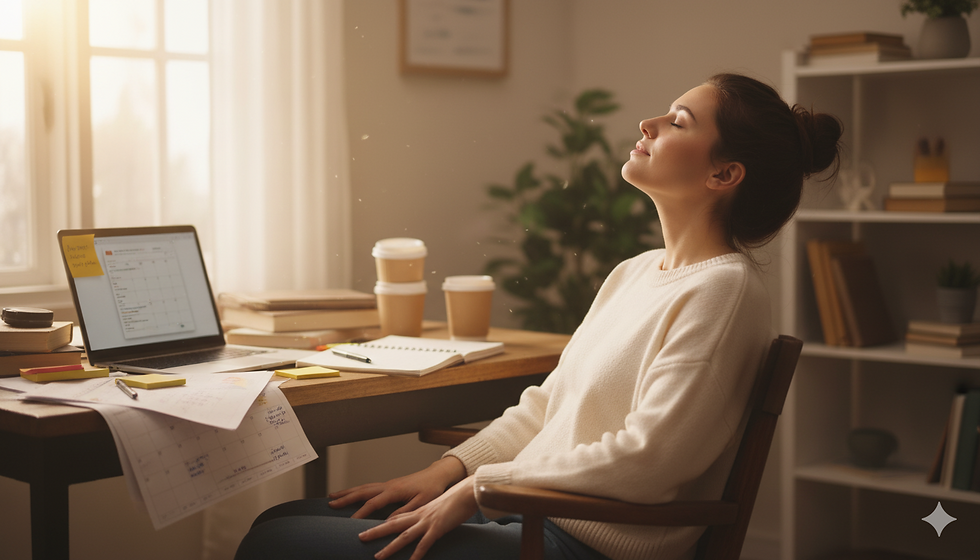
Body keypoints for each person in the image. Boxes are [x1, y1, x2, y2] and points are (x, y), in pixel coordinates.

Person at [234, 73, 842, 560]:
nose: (648, 123)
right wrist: (445, 471)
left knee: (275, 542)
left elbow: (649, 458)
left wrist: (478, 491)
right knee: (281, 517)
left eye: (678, 121)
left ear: (723, 174)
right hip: (528, 516)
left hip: (580, 542)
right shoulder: (636, 272)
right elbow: (546, 410)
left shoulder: (723, 291)